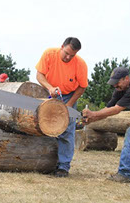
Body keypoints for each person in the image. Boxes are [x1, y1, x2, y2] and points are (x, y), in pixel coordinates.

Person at [35, 37, 88, 177]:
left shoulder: (80, 64)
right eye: (66, 53)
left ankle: (63, 167)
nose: (68, 57)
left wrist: (69, 105)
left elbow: (82, 87)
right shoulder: (49, 54)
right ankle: (41, 161)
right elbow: (39, 75)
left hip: (68, 95)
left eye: (72, 55)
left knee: (66, 130)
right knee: (41, 125)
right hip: (47, 92)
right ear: (62, 46)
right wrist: (49, 87)